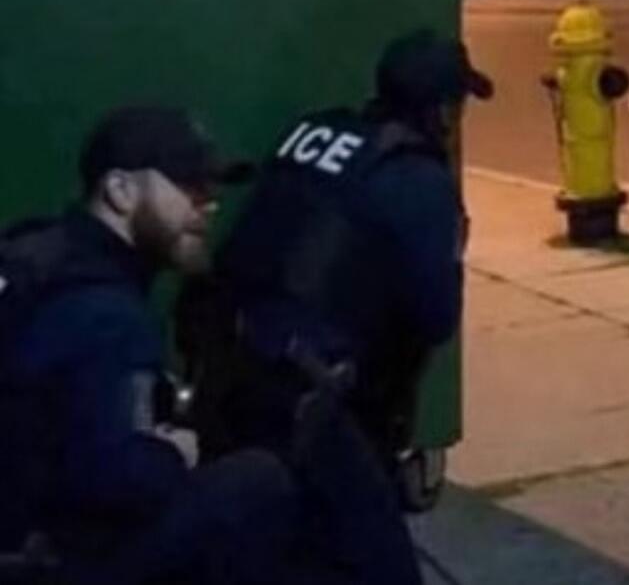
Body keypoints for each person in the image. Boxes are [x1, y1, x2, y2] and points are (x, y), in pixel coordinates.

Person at [182, 29, 494, 585]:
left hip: (228, 371)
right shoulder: (416, 178)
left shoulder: (314, 132)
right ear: (445, 112)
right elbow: (435, 316)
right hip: (312, 406)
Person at [0, 105, 300, 585]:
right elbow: (115, 480)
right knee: (256, 484)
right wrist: (174, 453)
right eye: (190, 187)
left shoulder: (34, 253)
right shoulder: (108, 315)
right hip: (38, 557)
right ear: (120, 191)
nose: (209, 204)